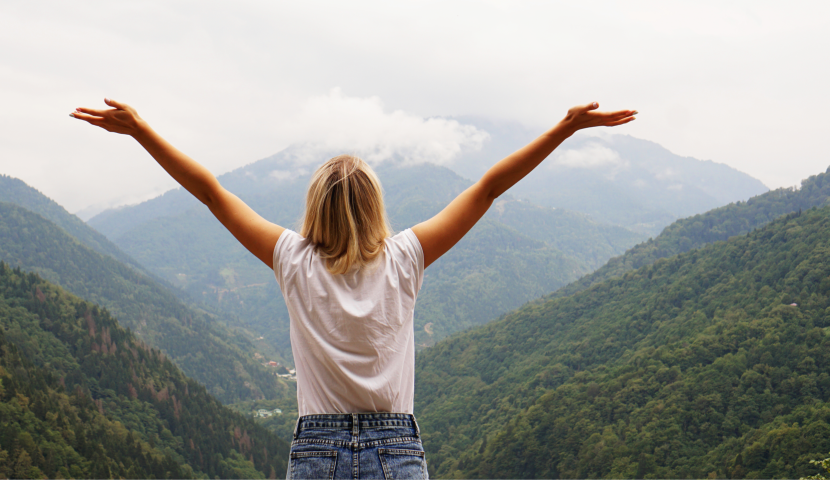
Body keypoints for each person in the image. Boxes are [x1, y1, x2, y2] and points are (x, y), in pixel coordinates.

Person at [71, 99, 636, 479]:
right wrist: (565, 128)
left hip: (316, 448)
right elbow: (488, 188)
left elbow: (211, 193)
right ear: (375, 207)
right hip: (397, 448)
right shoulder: (406, 258)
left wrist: (141, 131)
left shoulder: (291, 259)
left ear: (314, 204)